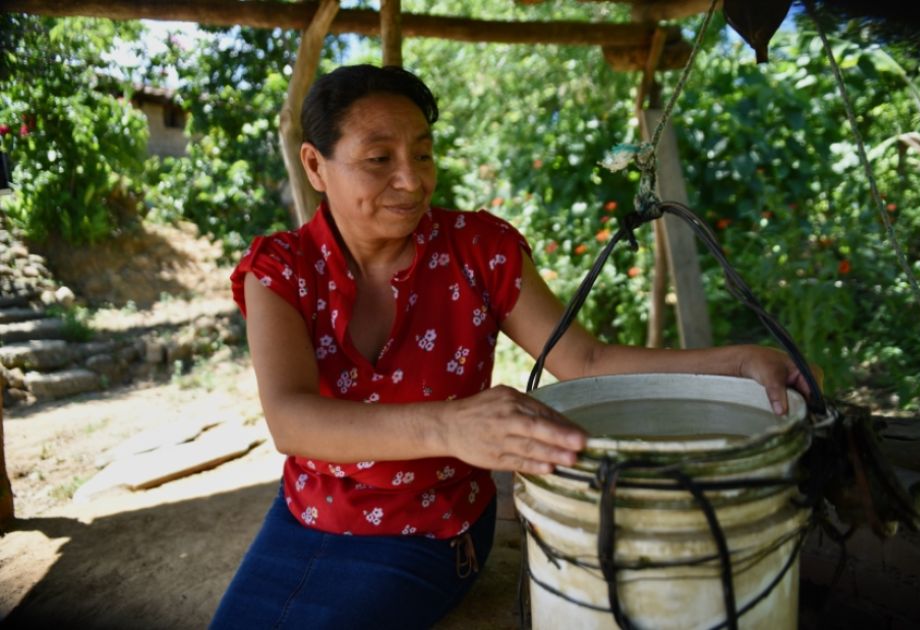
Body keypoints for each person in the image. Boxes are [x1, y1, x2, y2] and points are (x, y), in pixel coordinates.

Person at [209, 64, 814, 629]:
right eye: (378, 159)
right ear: (315, 166)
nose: (413, 179)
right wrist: (448, 428)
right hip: (306, 514)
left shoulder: (479, 249)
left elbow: (586, 361)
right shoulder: (281, 269)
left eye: (423, 152)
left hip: (432, 528)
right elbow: (291, 419)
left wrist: (735, 362)